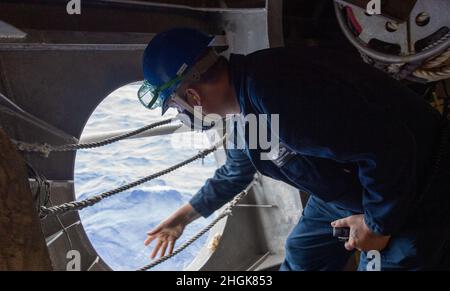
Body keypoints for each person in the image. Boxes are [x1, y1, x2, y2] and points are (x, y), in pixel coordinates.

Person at [138, 28, 448, 270]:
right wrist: (184, 218)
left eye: (177, 105)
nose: (183, 114)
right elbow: (235, 171)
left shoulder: (277, 95)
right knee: (303, 255)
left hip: (412, 185)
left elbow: (389, 147)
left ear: (193, 96)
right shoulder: (246, 104)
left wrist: (376, 226)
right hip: (346, 192)